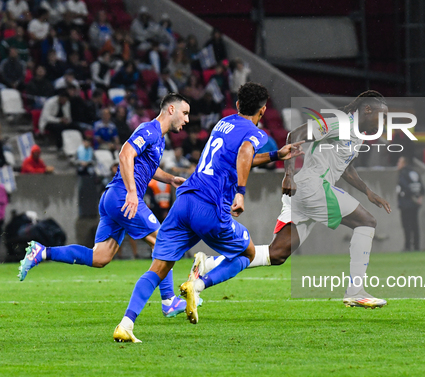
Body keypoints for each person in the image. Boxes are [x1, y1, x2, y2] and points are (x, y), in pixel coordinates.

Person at [113, 82, 303, 342]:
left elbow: (237, 157)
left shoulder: (222, 123)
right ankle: (198, 284)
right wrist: (240, 192)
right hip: (211, 208)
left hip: (185, 201)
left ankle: (125, 324)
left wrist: (274, 156)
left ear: (237, 106)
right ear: (263, 110)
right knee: (246, 254)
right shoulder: (256, 133)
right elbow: (245, 153)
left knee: (157, 269)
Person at [195, 91, 392, 309]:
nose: (383, 123)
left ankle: (206, 266)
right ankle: (356, 291)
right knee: (367, 222)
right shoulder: (340, 122)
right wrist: (288, 174)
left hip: (305, 194)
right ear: (367, 109)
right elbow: (296, 134)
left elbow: (346, 168)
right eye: (381, 117)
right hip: (312, 187)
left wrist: (367, 191)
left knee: (276, 254)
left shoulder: (357, 134)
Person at [18, 93, 191, 319]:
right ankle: (168, 300)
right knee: (163, 241)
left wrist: (169, 179)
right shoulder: (150, 130)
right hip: (123, 196)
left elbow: (146, 165)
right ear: (171, 109)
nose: (187, 119)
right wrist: (131, 192)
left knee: (100, 257)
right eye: (185, 113)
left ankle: (42, 252)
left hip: (113, 198)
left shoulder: (159, 138)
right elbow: (125, 154)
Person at [397, 156, 424, 251]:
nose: (398, 164)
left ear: (404, 163)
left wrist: (410, 196)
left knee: (406, 225)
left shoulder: (403, 173)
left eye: (399, 162)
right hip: (415, 204)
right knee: (415, 225)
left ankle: (408, 246)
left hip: (406, 203)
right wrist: (419, 198)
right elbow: (422, 188)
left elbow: (405, 188)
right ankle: (417, 246)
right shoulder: (415, 172)